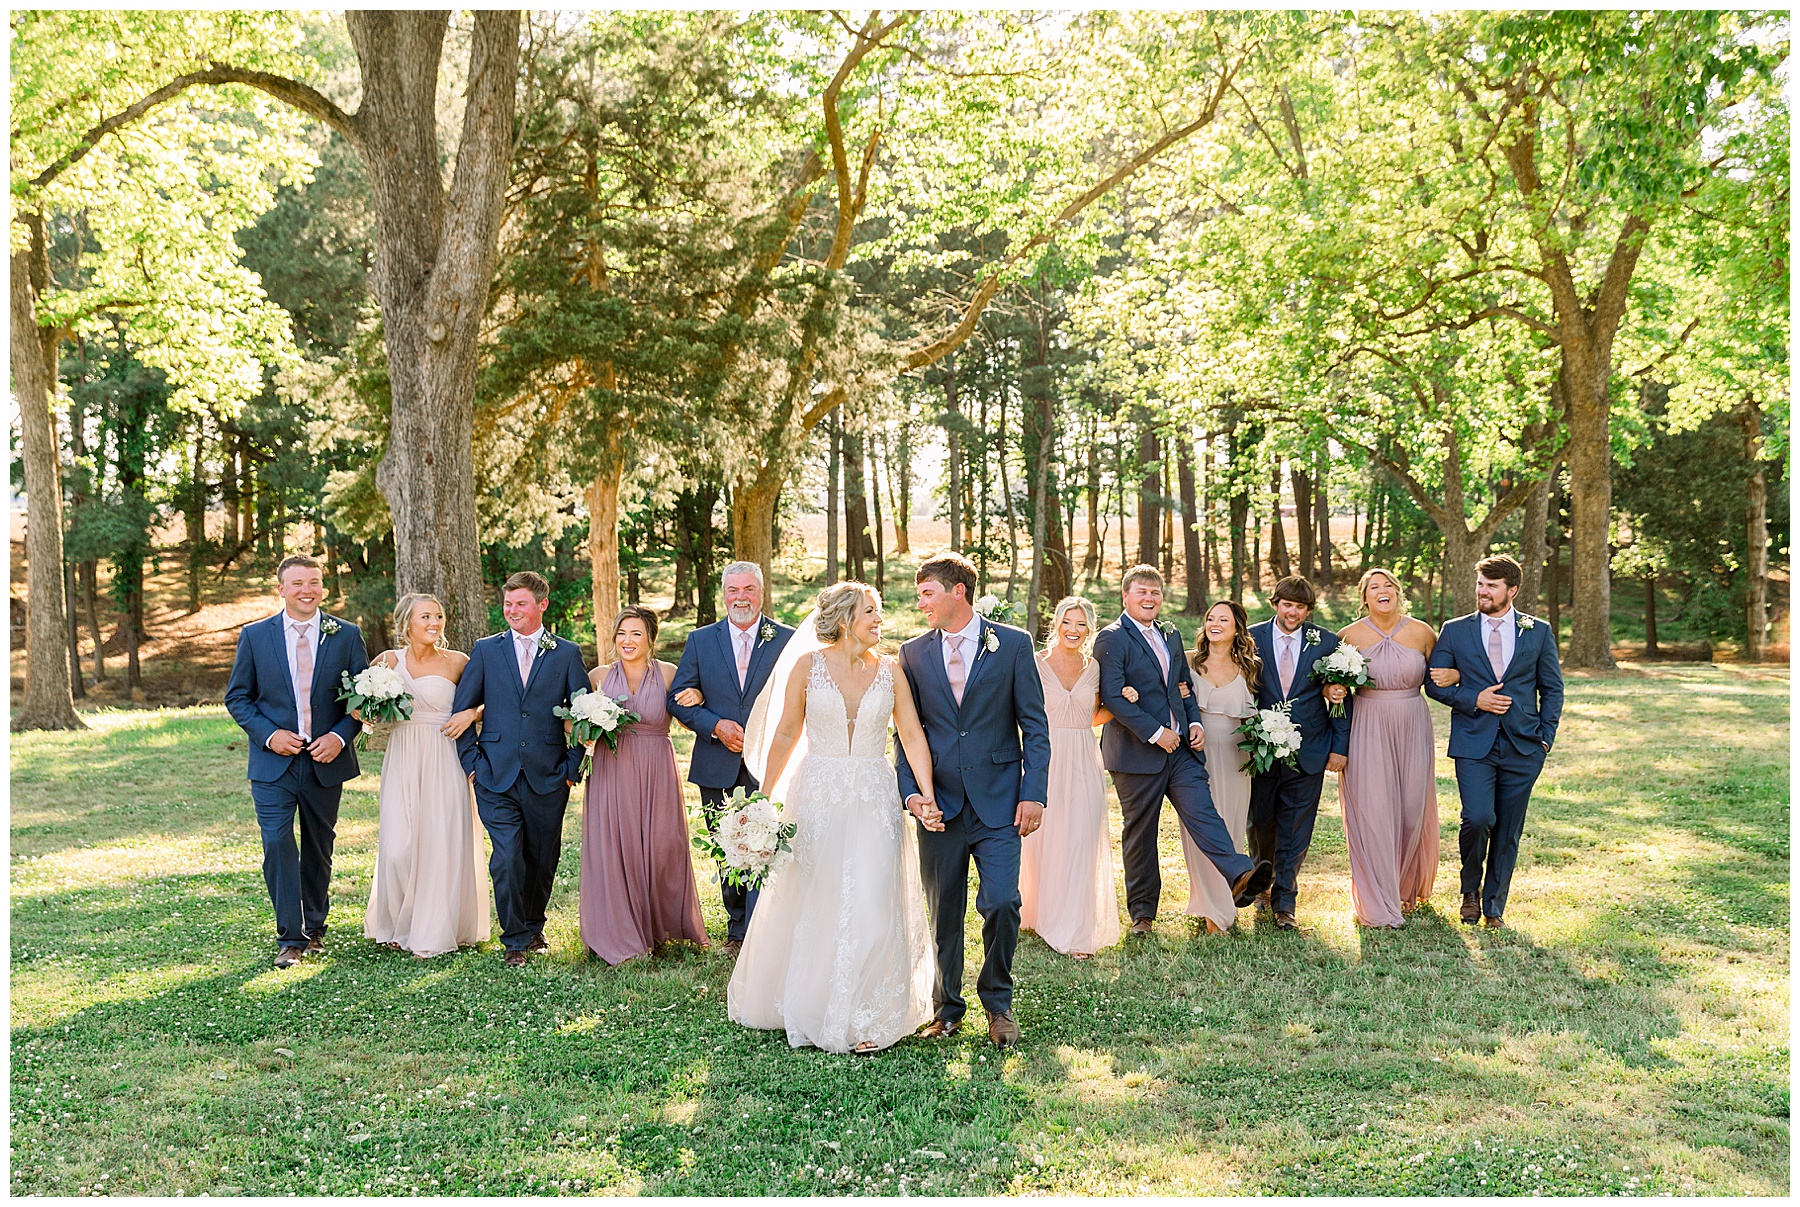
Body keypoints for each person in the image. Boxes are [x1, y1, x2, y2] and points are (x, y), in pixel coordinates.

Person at [727, 582, 939, 1053]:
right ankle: (814, 1001)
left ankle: (869, 1011)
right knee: (817, 895)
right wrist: (763, 798)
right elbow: (786, 733)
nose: (879, 619)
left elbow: (912, 736)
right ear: (844, 620)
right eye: (871, 611)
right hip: (818, 795)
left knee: (873, 895)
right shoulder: (808, 666)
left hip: (874, 796)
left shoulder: (891, 671)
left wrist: (926, 794)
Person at [896, 553, 1052, 1048]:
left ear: (957, 591)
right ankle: (947, 1008)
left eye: (927, 593)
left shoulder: (1013, 645)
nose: (920, 603)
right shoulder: (912, 654)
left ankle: (998, 1005)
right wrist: (912, 795)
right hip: (939, 805)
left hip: (1001, 802)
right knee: (943, 911)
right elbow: (906, 735)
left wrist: (1034, 793)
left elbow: (1035, 727)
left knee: (1003, 902)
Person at [1094, 564, 1272, 937]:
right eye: (1141, 591)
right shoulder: (1112, 638)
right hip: (1136, 754)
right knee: (1141, 833)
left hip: (1181, 751)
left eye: (1155, 592)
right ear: (1125, 596)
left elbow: (1182, 686)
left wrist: (1194, 723)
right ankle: (1143, 915)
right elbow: (1112, 695)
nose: (1149, 598)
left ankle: (1240, 875)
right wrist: (1156, 732)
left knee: (1204, 815)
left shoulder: (1170, 634)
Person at [224, 555, 369, 968]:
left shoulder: (346, 634)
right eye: (298, 583)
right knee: (277, 843)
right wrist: (271, 735)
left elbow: (364, 697)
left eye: (314, 582)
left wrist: (339, 737)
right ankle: (290, 937)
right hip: (273, 764)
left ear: (323, 587)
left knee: (319, 846)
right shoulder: (255, 636)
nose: (307, 590)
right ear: (281, 589)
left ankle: (315, 927)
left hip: (326, 760)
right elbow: (238, 697)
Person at [448, 571, 588, 967]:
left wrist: (571, 768)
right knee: (507, 856)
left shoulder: (566, 653)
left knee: (542, 858)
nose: (512, 611)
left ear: (542, 605)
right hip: (494, 774)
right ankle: (514, 939)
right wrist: (472, 764)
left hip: (549, 774)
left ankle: (534, 924)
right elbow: (462, 710)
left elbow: (585, 715)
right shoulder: (486, 650)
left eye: (520, 604)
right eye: (508, 604)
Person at [1425, 554, 1563, 929]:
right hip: (1474, 743)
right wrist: (1474, 698)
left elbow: (1552, 688)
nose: (1482, 591)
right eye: (1480, 584)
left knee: (1508, 831)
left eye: (1491, 586)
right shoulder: (1455, 630)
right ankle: (1469, 891)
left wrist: (1545, 739)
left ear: (1512, 590)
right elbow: (1433, 684)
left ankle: (1493, 906)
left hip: (1524, 746)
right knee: (1478, 817)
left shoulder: (1538, 631)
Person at [668, 562, 796, 955]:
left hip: (770, 763)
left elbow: (800, 697)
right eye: (733, 590)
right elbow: (678, 698)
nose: (741, 597)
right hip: (716, 763)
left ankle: (764, 929)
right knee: (728, 849)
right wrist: (715, 724)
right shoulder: (701, 640)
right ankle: (737, 930)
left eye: (749, 589)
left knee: (767, 846)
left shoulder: (787, 640)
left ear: (762, 592)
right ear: (723, 594)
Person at [362, 593, 490, 957]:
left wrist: (471, 715)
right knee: (398, 845)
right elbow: (362, 703)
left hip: (446, 753)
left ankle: (435, 927)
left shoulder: (458, 662)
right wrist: (366, 714)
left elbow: (492, 700)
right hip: (404, 755)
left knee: (441, 840)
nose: (434, 623)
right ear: (406, 623)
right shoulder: (387, 661)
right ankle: (397, 922)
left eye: (438, 616)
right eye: (426, 617)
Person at [579, 606, 708, 964]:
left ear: (650, 638)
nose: (627, 641)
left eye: (636, 633)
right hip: (611, 768)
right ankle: (619, 931)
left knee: (662, 844)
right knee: (615, 846)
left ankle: (659, 926)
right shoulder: (599, 676)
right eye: (622, 633)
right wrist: (582, 731)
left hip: (656, 768)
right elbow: (571, 722)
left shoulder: (668, 673)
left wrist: (697, 698)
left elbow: (687, 716)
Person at [1335, 570, 1441, 929]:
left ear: (1398, 592)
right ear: (1364, 597)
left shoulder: (1423, 633)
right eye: (1374, 587)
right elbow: (1332, 686)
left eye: (1388, 585)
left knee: (1412, 809)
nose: (1382, 591)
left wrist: (1455, 677)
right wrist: (1331, 692)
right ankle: (1375, 898)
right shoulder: (1348, 636)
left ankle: (1404, 888)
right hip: (1367, 725)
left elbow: (1441, 677)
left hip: (1412, 725)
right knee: (1374, 811)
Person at [1246, 575, 1353, 931]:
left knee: (1296, 828)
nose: (1293, 613)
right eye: (1287, 605)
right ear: (1275, 604)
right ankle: (1261, 884)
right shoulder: (1251, 637)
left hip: (1310, 748)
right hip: (1261, 748)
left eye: (1301, 607)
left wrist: (1339, 747)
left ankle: (1285, 902)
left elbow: (1341, 697)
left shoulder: (1327, 641)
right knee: (1260, 822)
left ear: (1309, 611)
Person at [1019, 596, 1120, 960]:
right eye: (1067, 622)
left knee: (1080, 838)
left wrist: (1122, 702)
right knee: (1043, 837)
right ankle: (1036, 913)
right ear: (1057, 624)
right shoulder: (1035, 663)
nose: (1073, 630)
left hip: (1083, 757)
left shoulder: (1094, 668)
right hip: (1042, 756)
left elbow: (1095, 714)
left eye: (1081, 624)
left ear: (1089, 629)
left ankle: (1076, 930)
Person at [1177, 600, 1262, 935]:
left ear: (1237, 628)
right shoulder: (1187, 662)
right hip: (1195, 754)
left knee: (1230, 828)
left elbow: (1253, 715)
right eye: (1210, 618)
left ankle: (1226, 902)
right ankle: (1210, 910)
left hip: (1235, 756)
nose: (1214, 623)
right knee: (1200, 830)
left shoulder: (1249, 668)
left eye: (1223, 619)